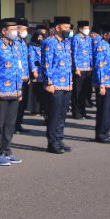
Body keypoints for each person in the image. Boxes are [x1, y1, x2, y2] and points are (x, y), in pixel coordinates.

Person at [0, 17, 24, 166]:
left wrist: (19, 89)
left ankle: (7, 150)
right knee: (0, 124)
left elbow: (18, 67)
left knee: (10, 124)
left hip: (14, 91)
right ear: (4, 31)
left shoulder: (16, 45)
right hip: (1, 92)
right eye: (13, 29)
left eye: (16, 29)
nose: (15, 32)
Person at [42, 16, 74, 154]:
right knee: (54, 115)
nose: (68, 30)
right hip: (55, 84)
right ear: (57, 28)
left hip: (66, 84)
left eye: (69, 28)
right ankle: (52, 142)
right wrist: (48, 82)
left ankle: (59, 139)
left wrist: (70, 81)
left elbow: (68, 63)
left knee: (62, 114)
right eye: (66, 27)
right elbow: (47, 63)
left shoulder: (66, 42)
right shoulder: (50, 42)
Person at [93, 24, 110, 143]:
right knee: (103, 110)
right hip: (104, 83)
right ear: (105, 34)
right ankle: (100, 134)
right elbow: (99, 67)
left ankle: (106, 132)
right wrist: (101, 84)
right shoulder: (101, 46)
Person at [70, 20, 94, 119]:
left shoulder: (88, 38)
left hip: (88, 68)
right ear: (80, 29)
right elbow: (74, 53)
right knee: (77, 92)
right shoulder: (76, 38)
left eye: (88, 28)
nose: (87, 30)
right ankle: (76, 111)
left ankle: (83, 111)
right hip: (79, 69)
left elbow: (90, 52)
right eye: (85, 28)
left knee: (85, 92)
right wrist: (76, 68)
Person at [13, 18, 31, 134]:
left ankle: (19, 124)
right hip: (17, 78)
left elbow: (25, 60)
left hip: (25, 77)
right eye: (24, 29)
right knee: (16, 104)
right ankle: (13, 125)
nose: (26, 32)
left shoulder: (23, 42)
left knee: (22, 104)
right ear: (18, 30)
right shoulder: (13, 42)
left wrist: (28, 75)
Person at [26, 28, 47, 121]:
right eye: (38, 37)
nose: (40, 38)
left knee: (42, 91)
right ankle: (34, 110)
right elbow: (31, 58)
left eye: (41, 37)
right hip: (36, 70)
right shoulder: (32, 46)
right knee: (35, 91)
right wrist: (33, 70)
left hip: (43, 71)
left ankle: (42, 108)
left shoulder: (44, 45)